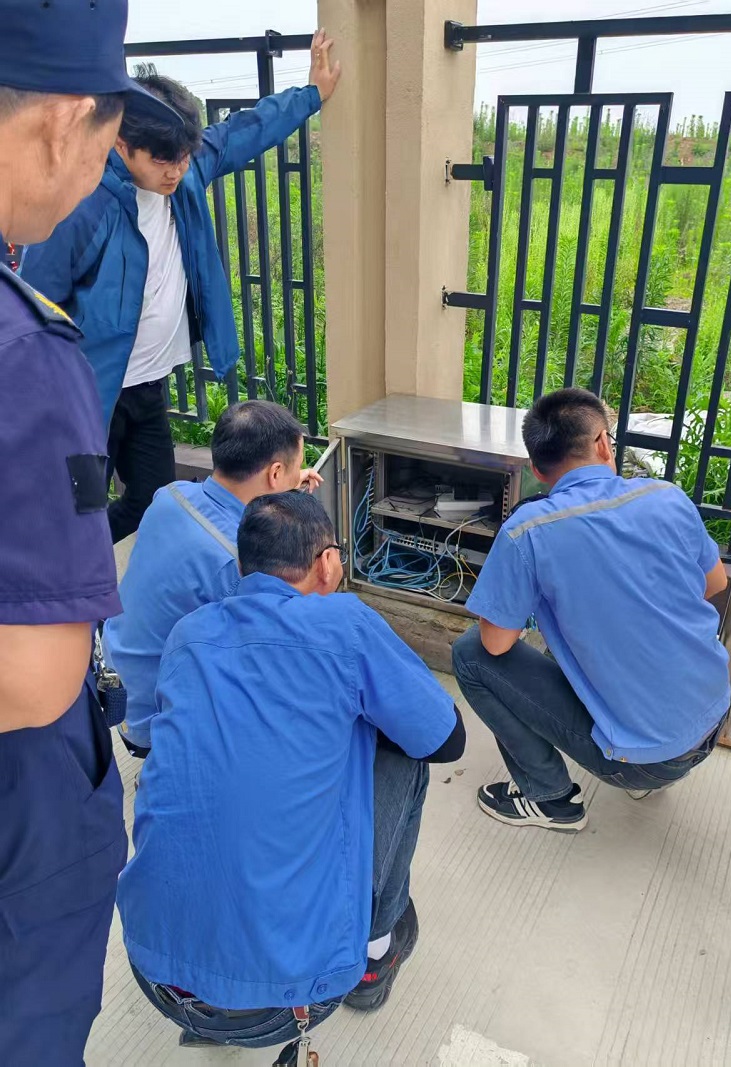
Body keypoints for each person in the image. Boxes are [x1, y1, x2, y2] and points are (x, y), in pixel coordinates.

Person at [0, 2, 186, 1063]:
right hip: (20, 802)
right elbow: (34, 680)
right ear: (68, 122)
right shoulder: (28, 354)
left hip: (142, 391)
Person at [116, 492, 464, 1057]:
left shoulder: (189, 633)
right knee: (402, 750)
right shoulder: (346, 622)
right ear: (327, 563)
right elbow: (446, 738)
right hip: (283, 1005)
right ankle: (375, 953)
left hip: (153, 970)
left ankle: (213, 1003)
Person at [21, 34, 341, 543]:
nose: (176, 171)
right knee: (76, 514)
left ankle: (96, 562)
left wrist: (312, 94)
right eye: (162, 161)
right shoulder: (82, 205)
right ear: (122, 144)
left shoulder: (185, 174)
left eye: (184, 158)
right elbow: (33, 303)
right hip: (86, 399)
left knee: (151, 504)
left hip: (148, 387)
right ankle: (78, 575)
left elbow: (244, 132)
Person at [453, 387, 730, 833]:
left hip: (647, 763)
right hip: (716, 716)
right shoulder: (666, 496)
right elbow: (715, 583)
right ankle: (648, 754)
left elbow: (495, 643)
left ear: (537, 470)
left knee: (470, 654)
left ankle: (551, 799)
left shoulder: (528, 531)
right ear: (603, 442)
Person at [103, 399, 321, 757]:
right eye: (295, 469)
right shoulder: (238, 562)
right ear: (275, 473)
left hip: (119, 686)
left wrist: (287, 486)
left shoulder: (170, 496)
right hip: (156, 724)